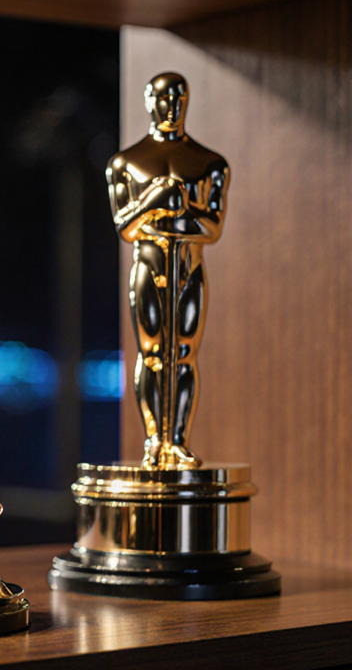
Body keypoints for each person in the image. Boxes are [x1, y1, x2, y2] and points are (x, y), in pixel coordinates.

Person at [106, 73, 228, 470]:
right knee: (153, 352)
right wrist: (157, 200)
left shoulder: (209, 163)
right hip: (149, 267)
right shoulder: (126, 163)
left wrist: (180, 212)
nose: (169, 106)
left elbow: (212, 228)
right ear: (148, 101)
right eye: (161, 97)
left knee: (184, 353)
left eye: (177, 98)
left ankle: (177, 441)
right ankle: (154, 441)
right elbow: (125, 226)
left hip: (189, 269)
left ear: (186, 101)